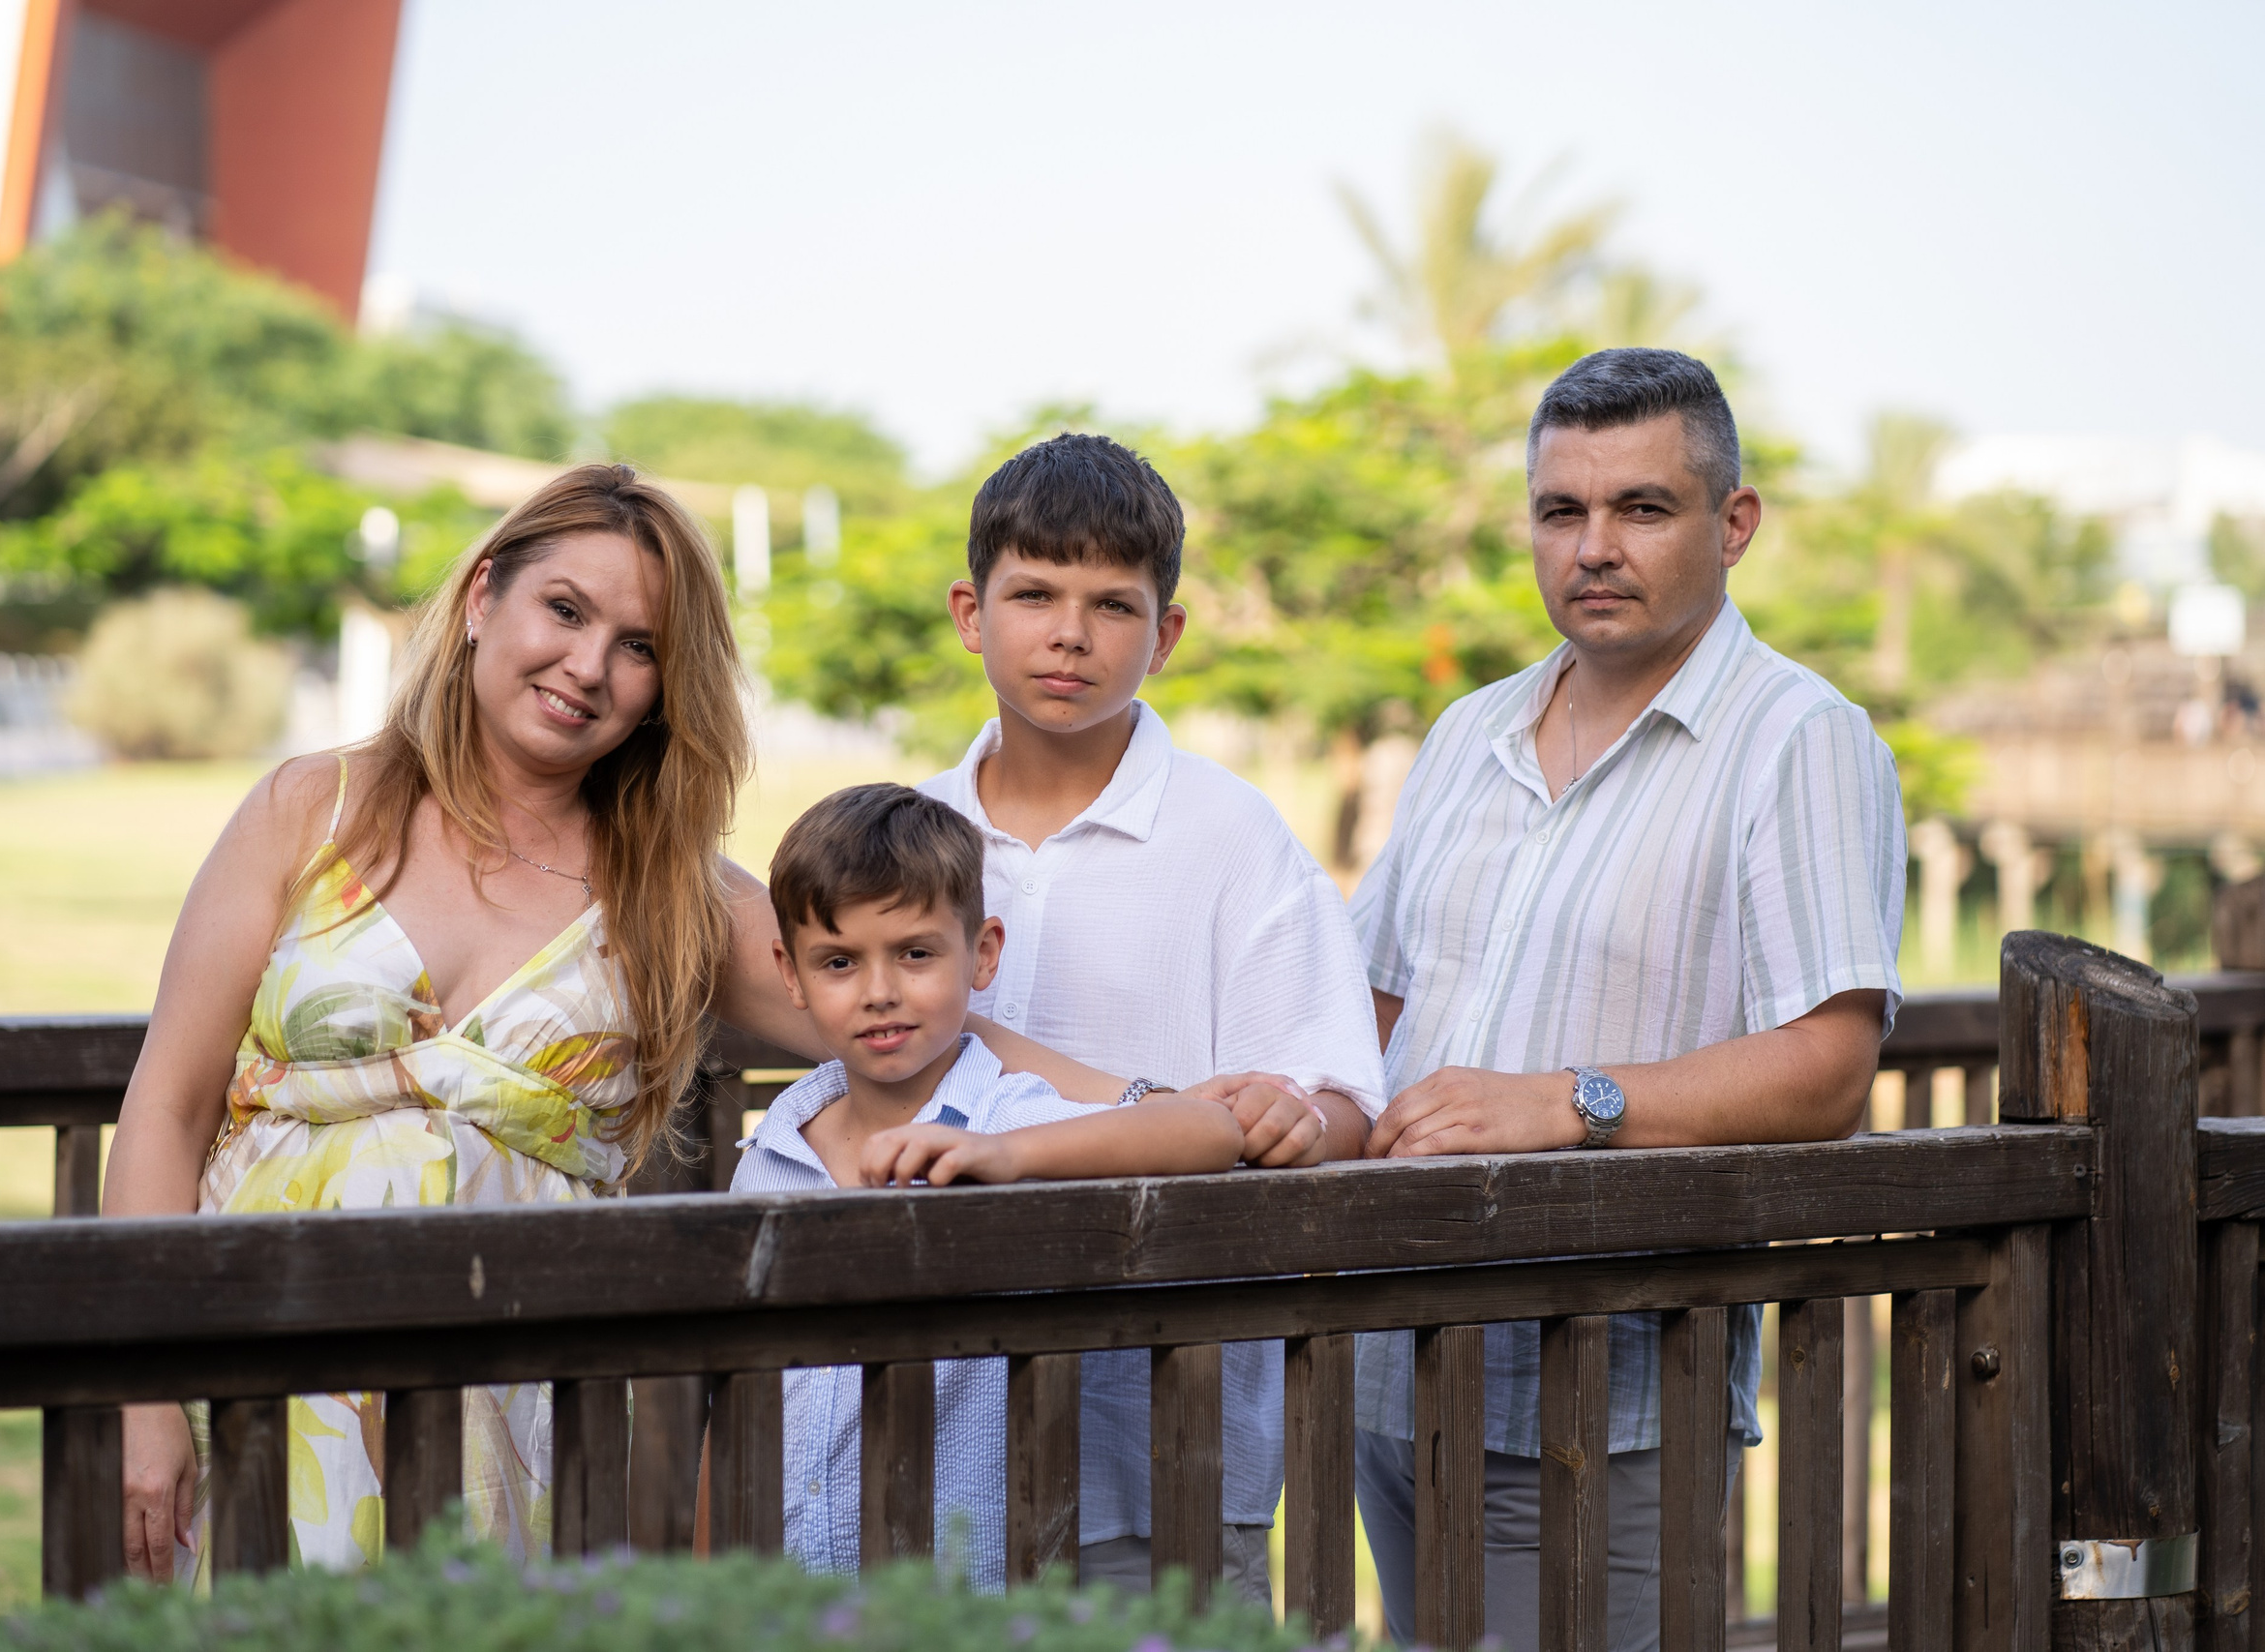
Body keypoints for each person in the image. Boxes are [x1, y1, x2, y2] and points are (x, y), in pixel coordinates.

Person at [101, 465, 1183, 1582]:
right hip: (251, 1362)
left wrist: (1155, 1107)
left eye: (639, 645)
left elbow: (907, 1012)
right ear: (482, 600)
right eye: (565, 611)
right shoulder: (308, 809)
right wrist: (144, 1400)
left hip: (516, 1398)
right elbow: (168, 1109)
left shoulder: (674, 896)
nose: (588, 667)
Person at [1349, 348, 1906, 1652]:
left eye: (1642, 508)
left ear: (1734, 523)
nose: (1594, 547)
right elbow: (1367, 1006)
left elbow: (1829, 1063)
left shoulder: (1798, 736)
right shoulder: (1467, 731)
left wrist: (1564, 1103)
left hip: (1601, 1387)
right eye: (1562, 511)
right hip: (1385, 1358)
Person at [917, 433, 1388, 1604]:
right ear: (972, 613)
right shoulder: (907, 835)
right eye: (1033, 594)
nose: (1068, 633)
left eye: (1111, 604)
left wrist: (1294, 1122)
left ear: (1163, 635)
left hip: (1167, 1431)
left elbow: (1339, 1098)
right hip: (929, 1419)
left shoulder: (1233, 841)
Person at [731, 783, 1244, 1590]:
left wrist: (1006, 1154)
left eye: (916, 953)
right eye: (838, 961)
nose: (879, 991)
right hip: (787, 1595)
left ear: (984, 953)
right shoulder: (772, 1149)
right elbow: (737, 1397)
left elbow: (1210, 1130)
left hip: (961, 1598)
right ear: (789, 974)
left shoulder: (1006, 1118)